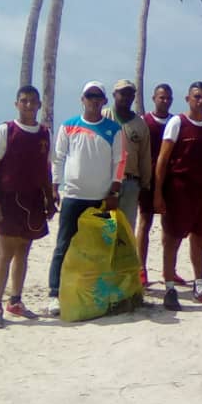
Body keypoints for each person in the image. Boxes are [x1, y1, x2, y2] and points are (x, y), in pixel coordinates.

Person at [47, 81, 127, 316]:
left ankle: (96, 293)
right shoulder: (69, 126)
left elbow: (119, 162)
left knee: (101, 248)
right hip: (73, 196)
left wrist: (114, 191)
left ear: (104, 101)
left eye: (98, 97)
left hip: (101, 199)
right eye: (89, 96)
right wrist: (54, 187)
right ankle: (54, 293)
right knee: (64, 245)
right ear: (82, 99)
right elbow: (58, 159)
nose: (93, 100)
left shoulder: (114, 129)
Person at [153, 81, 202, 310]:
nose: (201, 101)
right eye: (196, 96)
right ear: (188, 99)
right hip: (179, 191)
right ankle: (169, 288)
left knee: (201, 238)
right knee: (173, 239)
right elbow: (163, 160)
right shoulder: (177, 123)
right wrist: (158, 193)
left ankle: (200, 286)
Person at [0, 85, 57, 328]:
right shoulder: (5, 130)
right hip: (8, 199)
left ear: (39, 105)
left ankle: (15, 301)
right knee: (5, 253)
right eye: (24, 101)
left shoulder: (45, 134)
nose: (28, 105)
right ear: (16, 104)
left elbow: (46, 170)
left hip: (33, 200)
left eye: (33, 101)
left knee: (23, 252)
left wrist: (49, 199)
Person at [136, 83, 173, 287]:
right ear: (154, 98)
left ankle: (170, 269)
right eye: (161, 98)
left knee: (169, 227)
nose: (165, 101)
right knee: (145, 222)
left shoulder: (175, 122)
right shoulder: (144, 121)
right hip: (148, 180)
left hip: (170, 181)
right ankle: (141, 268)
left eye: (168, 98)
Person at [102, 79, 151, 232]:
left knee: (125, 229)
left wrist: (145, 184)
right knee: (106, 229)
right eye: (122, 93)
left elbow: (144, 156)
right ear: (114, 95)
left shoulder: (140, 124)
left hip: (130, 182)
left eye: (130, 94)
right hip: (105, 181)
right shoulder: (103, 117)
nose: (126, 97)